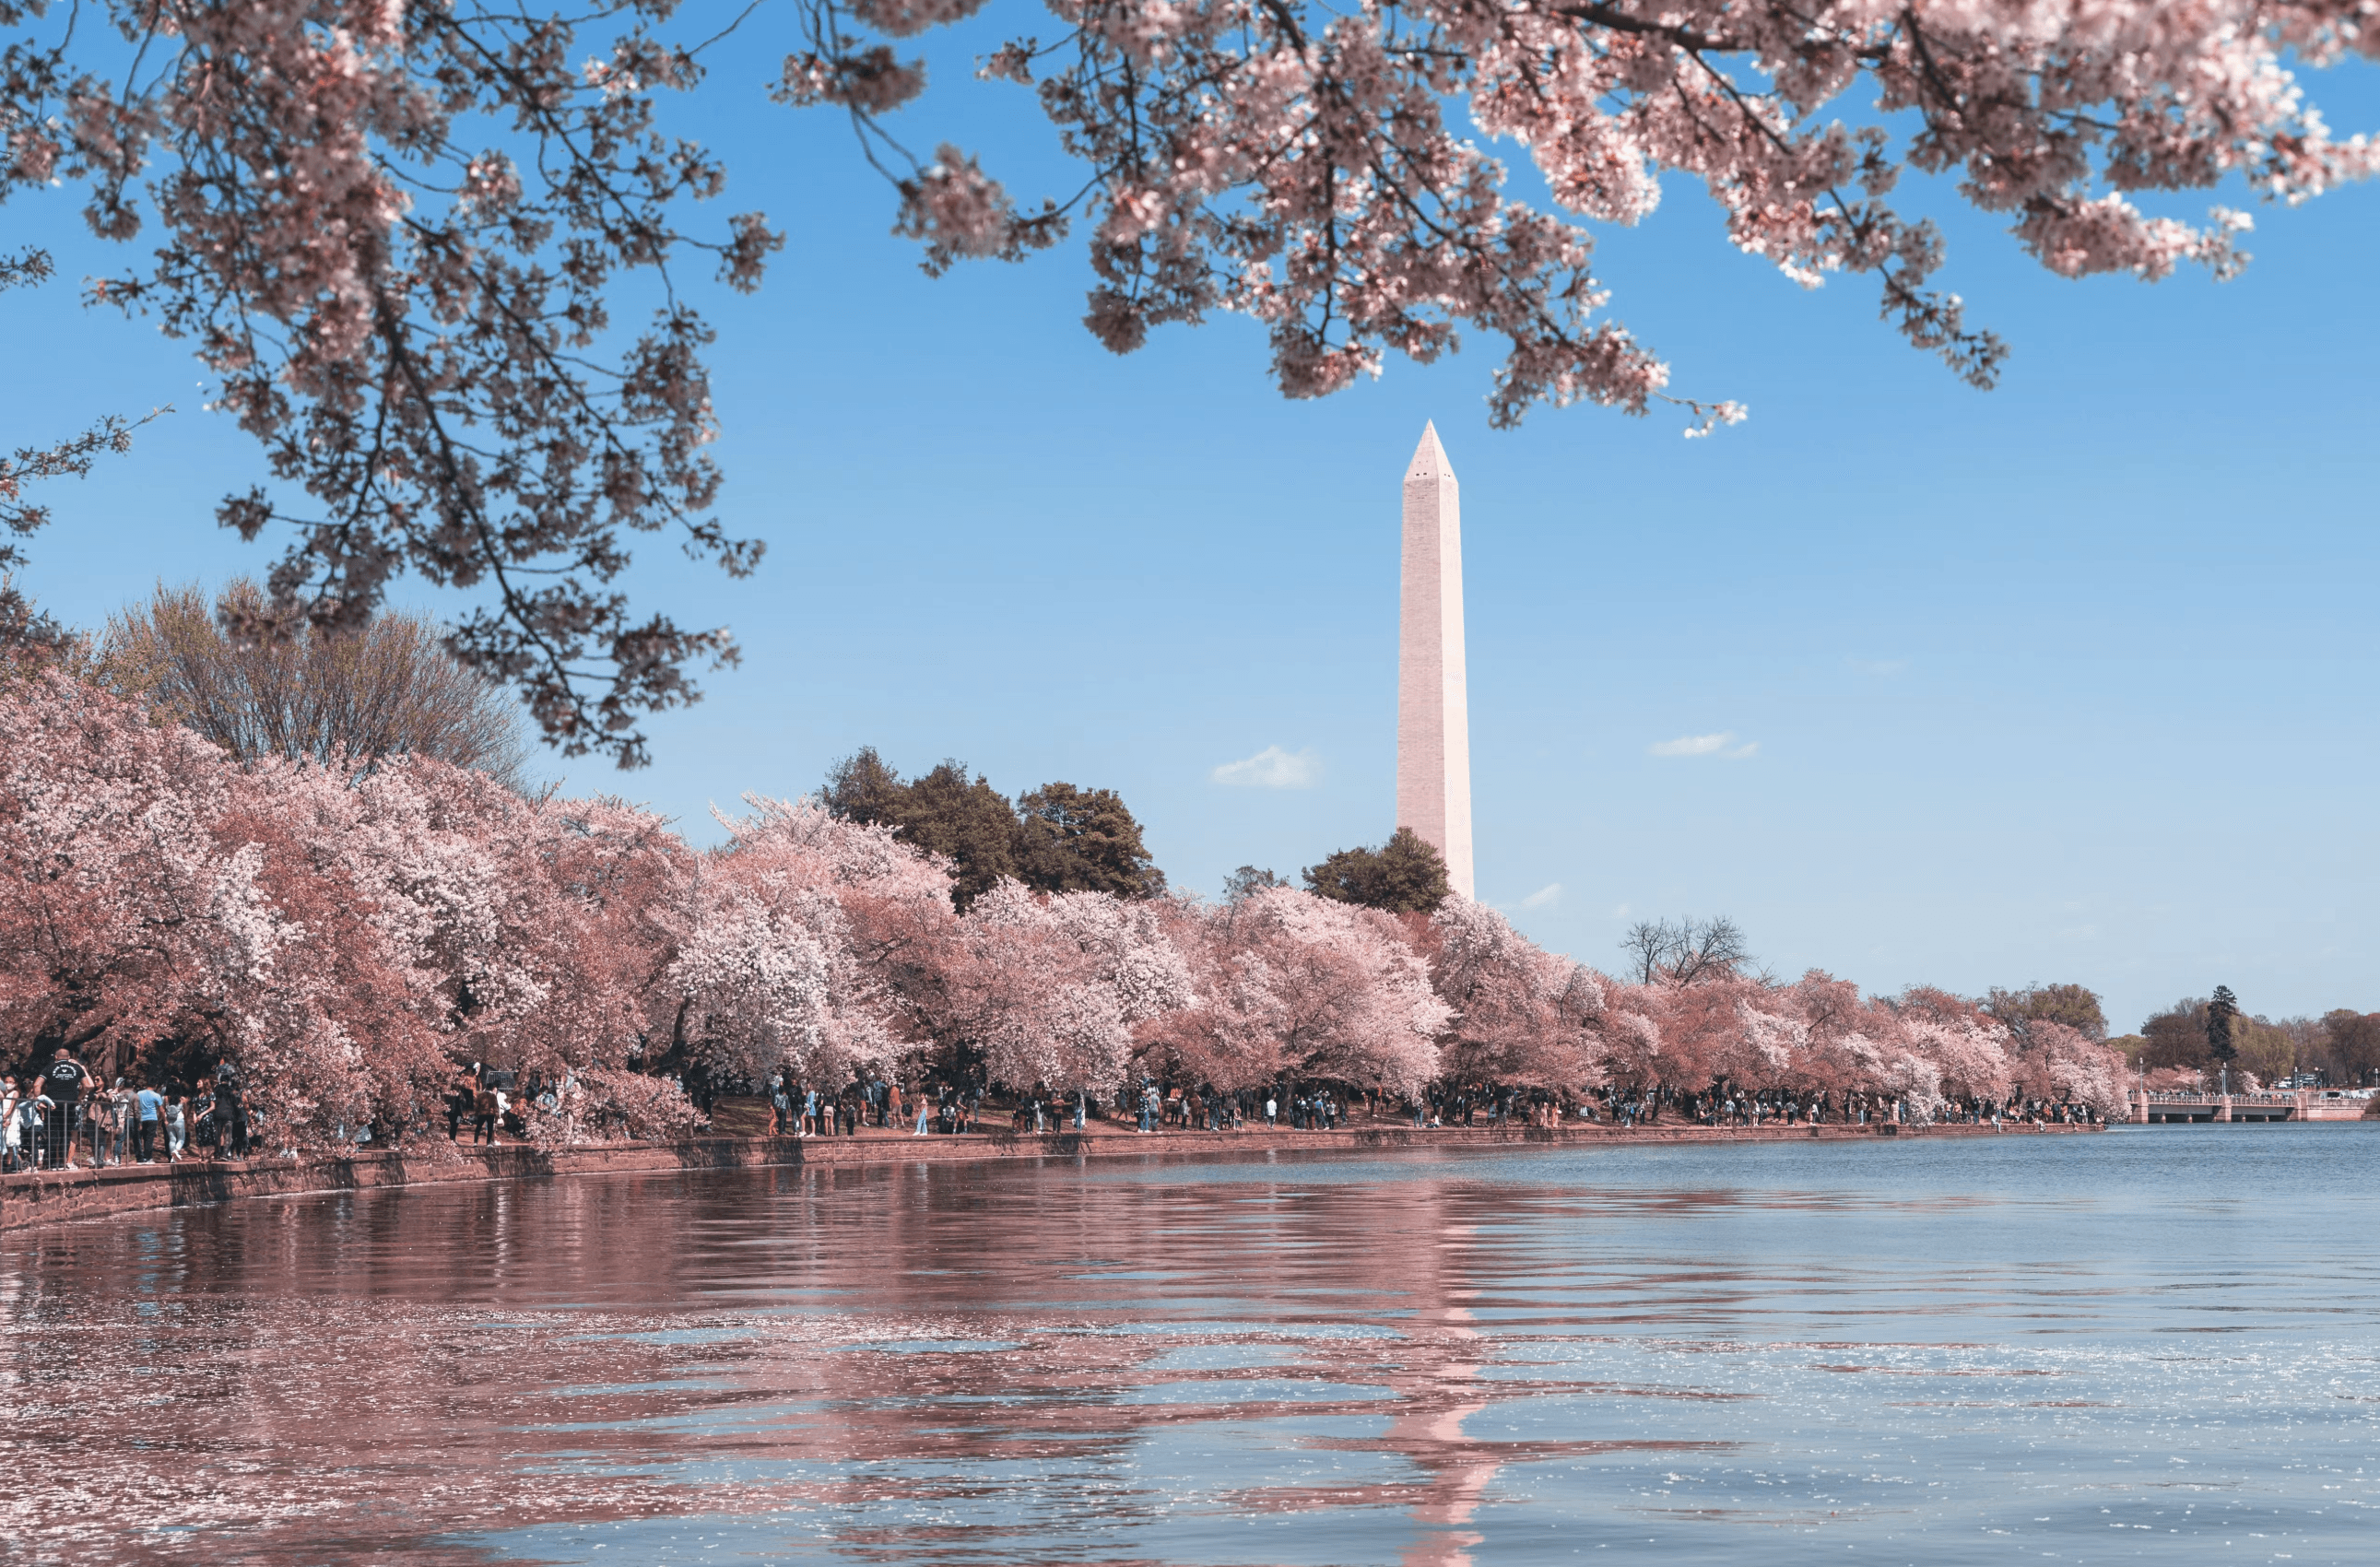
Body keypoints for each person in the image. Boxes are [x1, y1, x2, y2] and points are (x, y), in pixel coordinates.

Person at [43, 1047, 88, 1170]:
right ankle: (62, 1163)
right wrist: (79, 1097)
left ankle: (52, 1163)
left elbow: (37, 1084)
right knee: (66, 1135)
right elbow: (88, 1085)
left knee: (53, 1134)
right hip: (70, 1106)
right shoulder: (77, 1068)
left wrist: (40, 1099)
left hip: (53, 1105)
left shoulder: (49, 1067)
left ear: (56, 1057)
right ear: (69, 1057)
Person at [134, 1080, 165, 1162]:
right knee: (149, 1139)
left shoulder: (139, 1093)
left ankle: (140, 1157)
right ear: (156, 1085)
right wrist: (164, 1119)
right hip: (152, 1119)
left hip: (141, 1119)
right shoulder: (156, 1095)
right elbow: (161, 1109)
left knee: (141, 1138)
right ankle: (148, 1158)